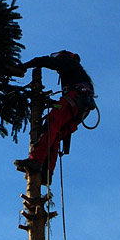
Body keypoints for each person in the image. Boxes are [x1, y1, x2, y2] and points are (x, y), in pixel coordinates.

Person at [13, 50, 95, 183]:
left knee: (53, 122)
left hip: (76, 99)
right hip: (80, 108)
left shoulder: (70, 64)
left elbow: (49, 62)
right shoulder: (76, 75)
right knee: (55, 134)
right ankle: (46, 172)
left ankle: (36, 160)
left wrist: (28, 64)